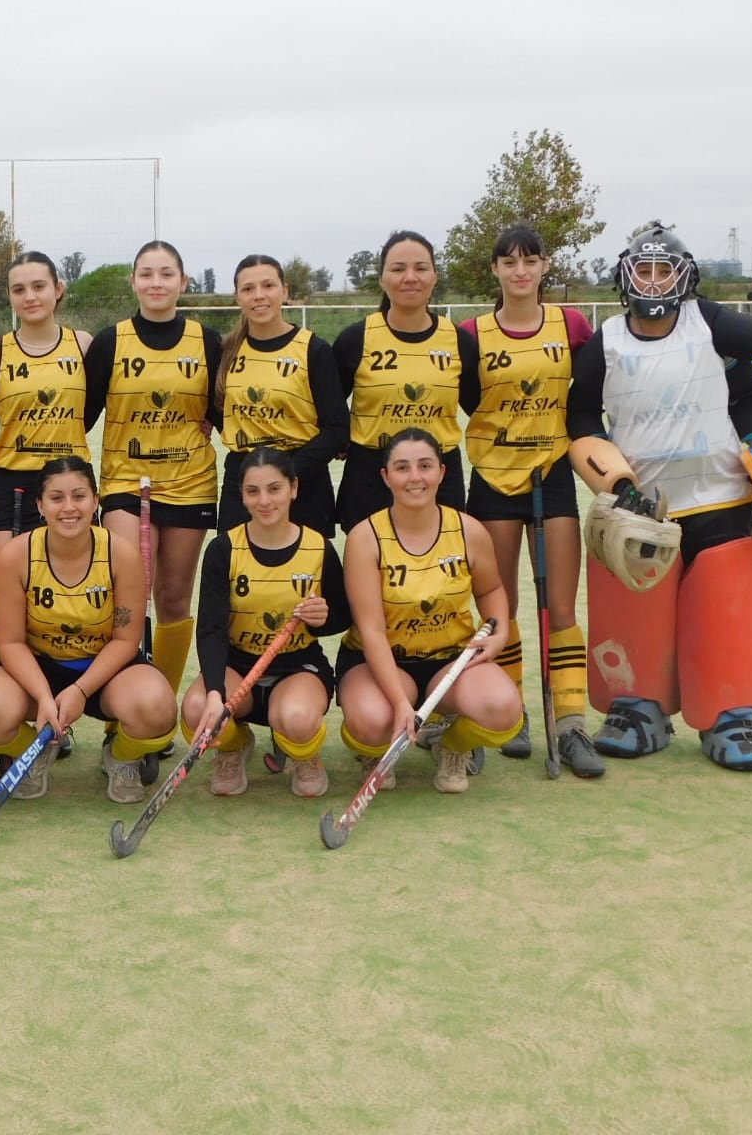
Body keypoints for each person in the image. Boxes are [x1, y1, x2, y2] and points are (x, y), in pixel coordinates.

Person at [568, 222, 752, 771]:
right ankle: (641, 709)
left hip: (721, 494)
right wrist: (614, 482)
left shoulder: (708, 325)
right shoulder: (607, 340)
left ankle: (732, 714)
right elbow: (580, 415)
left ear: (683, 276)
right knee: (639, 606)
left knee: (724, 605)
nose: (654, 279)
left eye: (665, 268)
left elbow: (748, 390)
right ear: (626, 274)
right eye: (644, 268)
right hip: (646, 507)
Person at [456, 224, 604, 778]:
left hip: (554, 477)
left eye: (530, 260)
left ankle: (569, 724)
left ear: (545, 267)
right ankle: (512, 710)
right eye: (508, 261)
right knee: (501, 608)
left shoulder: (572, 325)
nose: (520, 270)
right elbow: (471, 400)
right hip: (493, 479)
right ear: (494, 270)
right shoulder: (470, 333)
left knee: (560, 609)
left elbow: (587, 400)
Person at [0, 458, 176, 801]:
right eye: (57, 498)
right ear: (40, 506)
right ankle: (35, 750)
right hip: (38, 667)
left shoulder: (122, 555)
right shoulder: (15, 556)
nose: (69, 508)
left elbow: (125, 639)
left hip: (105, 671)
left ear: (96, 500)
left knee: (157, 708)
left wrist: (80, 690)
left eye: (79, 496)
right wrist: (45, 697)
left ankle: (120, 758)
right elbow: (11, 642)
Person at [336, 428, 523, 794]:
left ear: (441, 472)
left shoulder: (468, 530)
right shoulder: (364, 538)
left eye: (424, 466)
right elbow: (371, 630)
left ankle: (451, 746)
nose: (415, 477)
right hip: (380, 661)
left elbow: (492, 588)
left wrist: (499, 632)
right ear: (386, 477)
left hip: (449, 662)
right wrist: (399, 703)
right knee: (372, 720)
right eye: (402, 468)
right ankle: (375, 750)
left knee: (503, 707)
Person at [83, 240, 222, 699]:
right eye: (146, 273)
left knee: (174, 596)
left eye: (166, 274)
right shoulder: (110, 341)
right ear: (134, 281)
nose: (156, 283)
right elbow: (81, 416)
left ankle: (158, 702)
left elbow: (223, 412)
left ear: (183, 282)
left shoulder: (206, 341)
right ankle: (122, 697)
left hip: (189, 483)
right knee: (127, 595)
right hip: (126, 483)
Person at [181, 448, 350, 798]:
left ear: (294, 488)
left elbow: (343, 616)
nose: (264, 501)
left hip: (296, 666)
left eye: (274, 489)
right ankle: (234, 747)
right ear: (241, 495)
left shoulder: (319, 548)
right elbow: (211, 629)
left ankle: (303, 754)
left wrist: (323, 619)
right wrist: (214, 691)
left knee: (297, 718)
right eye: (253, 491)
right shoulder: (224, 548)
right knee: (197, 709)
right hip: (238, 666)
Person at [0, 252, 93, 677]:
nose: (30, 296)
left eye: (38, 286)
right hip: (14, 485)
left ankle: (64, 705)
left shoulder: (84, 346)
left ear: (58, 290)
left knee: (65, 610)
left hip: (70, 486)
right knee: (4, 605)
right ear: (9, 297)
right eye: (18, 289)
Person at [332, 231, 476, 534]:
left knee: (438, 574)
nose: (410, 277)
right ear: (382, 278)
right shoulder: (355, 339)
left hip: (438, 474)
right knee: (367, 574)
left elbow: (480, 407)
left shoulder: (459, 341)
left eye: (421, 268)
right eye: (398, 269)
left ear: (435, 276)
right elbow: (328, 408)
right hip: (370, 475)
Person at [215, 255, 347, 536]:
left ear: (285, 291)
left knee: (307, 577)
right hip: (243, 482)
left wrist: (284, 471)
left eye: (268, 286)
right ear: (237, 296)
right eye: (248, 289)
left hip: (303, 482)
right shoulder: (225, 351)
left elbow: (337, 429)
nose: (259, 295)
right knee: (238, 573)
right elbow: (216, 412)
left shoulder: (313, 349)